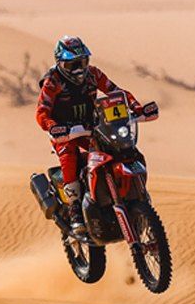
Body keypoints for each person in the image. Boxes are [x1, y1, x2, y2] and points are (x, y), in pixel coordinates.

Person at [35, 36, 142, 237]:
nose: (79, 69)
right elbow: (42, 112)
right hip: (65, 133)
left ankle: (135, 196)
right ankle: (75, 210)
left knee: (123, 149)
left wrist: (135, 106)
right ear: (61, 63)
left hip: (95, 126)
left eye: (82, 62)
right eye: (73, 64)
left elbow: (116, 93)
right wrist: (53, 127)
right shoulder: (52, 81)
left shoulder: (94, 74)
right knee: (69, 157)